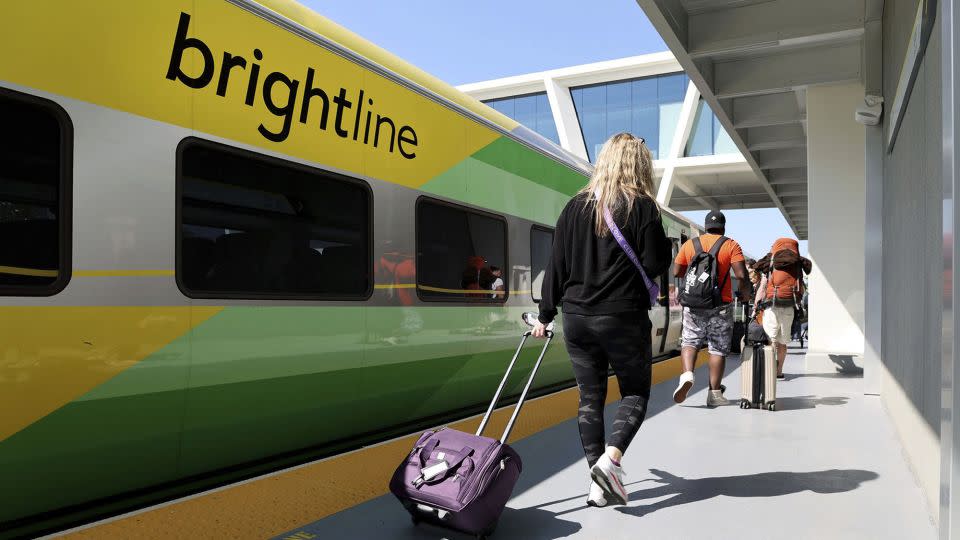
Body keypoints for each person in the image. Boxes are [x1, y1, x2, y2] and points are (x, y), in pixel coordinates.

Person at [531, 133, 671, 508]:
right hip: (623, 315)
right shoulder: (642, 206)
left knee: (589, 398)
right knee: (636, 392)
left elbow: (555, 268)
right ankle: (611, 461)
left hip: (576, 317)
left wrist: (545, 316)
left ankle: (597, 484)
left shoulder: (573, 206)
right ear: (639, 165)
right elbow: (657, 263)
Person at [671, 211, 751, 407]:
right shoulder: (730, 244)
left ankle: (687, 374)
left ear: (705, 227)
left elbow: (677, 271)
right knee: (717, 348)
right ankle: (714, 394)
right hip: (720, 305)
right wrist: (746, 293)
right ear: (723, 227)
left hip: (693, 304)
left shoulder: (690, 244)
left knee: (690, 341)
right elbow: (741, 275)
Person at [753, 238, 811, 378]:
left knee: (771, 339)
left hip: (771, 305)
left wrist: (756, 304)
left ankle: (770, 370)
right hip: (789, 306)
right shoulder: (797, 262)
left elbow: (763, 285)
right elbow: (801, 287)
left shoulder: (771, 260)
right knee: (783, 342)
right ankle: (779, 372)